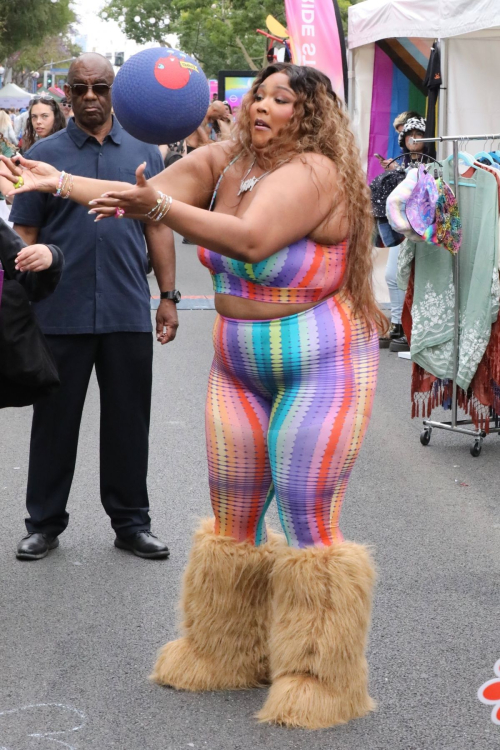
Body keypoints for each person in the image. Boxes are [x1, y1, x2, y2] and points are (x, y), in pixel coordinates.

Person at [2, 63, 383, 729]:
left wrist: (154, 206)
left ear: (311, 114)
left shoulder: (316, 173)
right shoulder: (225, 159)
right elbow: (134, 193)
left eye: (281, 99)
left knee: (305, 516)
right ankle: (225, 651)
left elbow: (251, 237)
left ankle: (318, 676)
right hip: (238, 362)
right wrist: (56, 179)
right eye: (257, 95)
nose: (262, 106)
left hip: (321, 365)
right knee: (233, 513)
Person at [7, 53, 176, 562]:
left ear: (114, 92)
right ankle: (43, 523)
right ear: (67, 93)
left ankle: (131, 523)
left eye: (98, 87)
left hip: (126, 309)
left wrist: (167, 297)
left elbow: (159, 226)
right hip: (59, 311)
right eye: (79, 88)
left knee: (129, 420)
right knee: (54, 422)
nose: (88, 97)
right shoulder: (46, 154)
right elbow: (23, 236)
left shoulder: (146, 151)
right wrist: (17, 307)